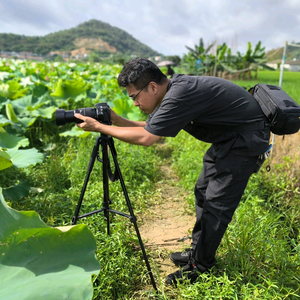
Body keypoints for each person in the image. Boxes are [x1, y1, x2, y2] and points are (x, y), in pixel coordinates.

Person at [74, 58, 270, 286]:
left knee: (217, 203)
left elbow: (148, 138)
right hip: (227, 138)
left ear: (152, 87)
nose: (135, 103)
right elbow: (151, 128)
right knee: (203, 190)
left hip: (244, 140)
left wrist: (99, 127)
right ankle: (198, 252)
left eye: (134, 97)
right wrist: (116, 121)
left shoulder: (180, 94)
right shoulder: (173, 91)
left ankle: (200, 266)